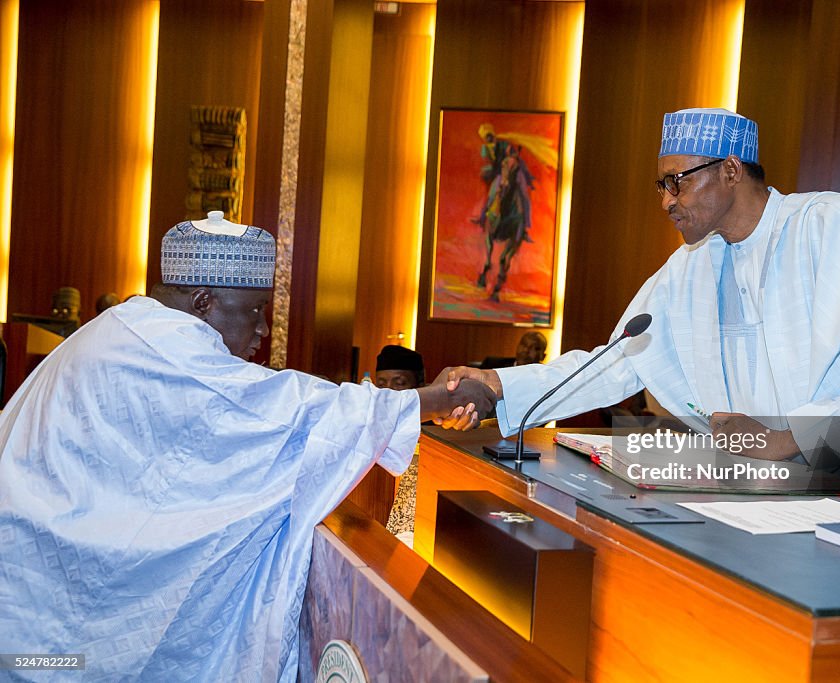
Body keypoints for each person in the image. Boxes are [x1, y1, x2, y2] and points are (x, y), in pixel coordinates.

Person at [0, 218, 495, 681]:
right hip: (46, 598)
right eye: (255, 312)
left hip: (33, 584)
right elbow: (288, 412)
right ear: (201, 300)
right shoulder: (167, 346)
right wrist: (434, 399)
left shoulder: (127, 326)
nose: (262, 331)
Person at [444, 107, 840, 523]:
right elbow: (615, 363)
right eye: (662, 184)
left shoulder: (830, 226)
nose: (666, 201)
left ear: (731, 169)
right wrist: (499, 384)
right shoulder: (689, 268)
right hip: (791, 500)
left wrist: (791, 437)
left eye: (678, 181)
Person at [373, 345, 426, 541]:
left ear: (419, 383)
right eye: (381, 384)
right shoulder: (369, 423)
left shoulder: (433, 427)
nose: (389, 392)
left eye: (399, 383)